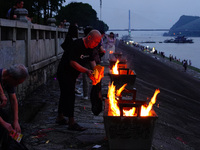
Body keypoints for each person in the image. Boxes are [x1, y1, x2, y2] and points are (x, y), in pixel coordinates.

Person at [56, 30, 102, 131]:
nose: (96, 45)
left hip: (73, 74)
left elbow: (92, 61)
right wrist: (86, 71)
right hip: (64, 71)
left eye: (98, 43)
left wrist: (96, 73)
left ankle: (60, 117)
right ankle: (71, 122)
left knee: (64, 94)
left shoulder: (90, 47)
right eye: (95, 42)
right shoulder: (76, 45)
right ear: (89, 38)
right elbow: (72, 63)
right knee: (70, 95)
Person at [0, 64, 28, 149]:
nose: (16, 86)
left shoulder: (8, 81)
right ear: (11, 77)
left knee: (8, 121)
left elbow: (13, 100)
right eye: (17, 83)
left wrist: (16, 121)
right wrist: (3, 123)